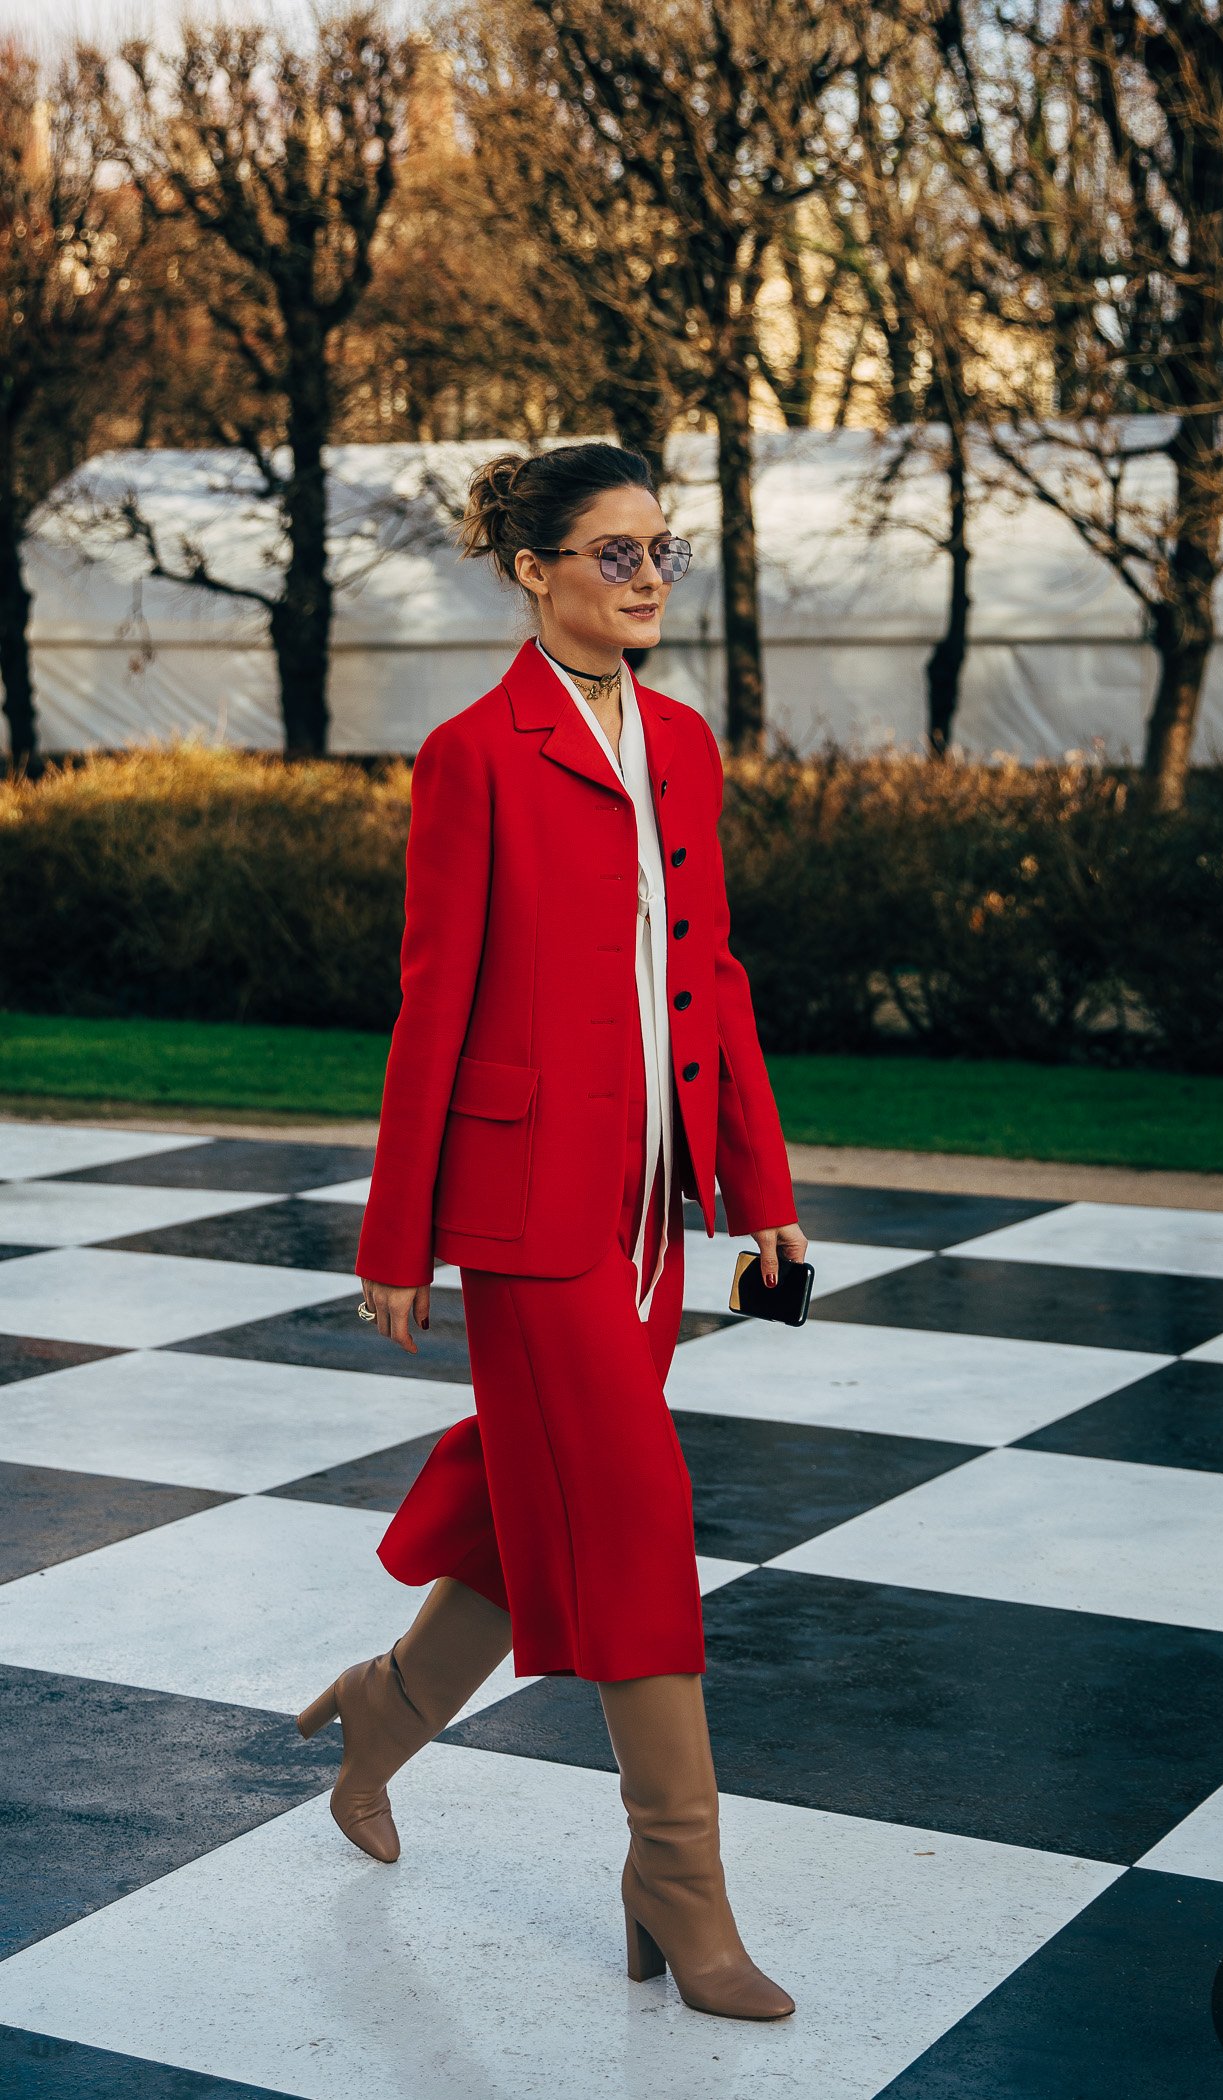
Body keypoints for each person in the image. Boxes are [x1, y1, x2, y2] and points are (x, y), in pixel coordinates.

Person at [296, 441, 809, 2022]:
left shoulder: (683, 742)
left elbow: (710, 978)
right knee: (637, 1505)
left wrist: (766, 1194)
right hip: (529, 1219)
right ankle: (677, 1873)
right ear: (532, 571)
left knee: (546, 1503)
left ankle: (379, 1719)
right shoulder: (476, 753)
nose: (651, 577)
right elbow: (432, 1001)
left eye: (664, 548)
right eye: (614, 553)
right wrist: (399, 1234)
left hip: (657, 1211)